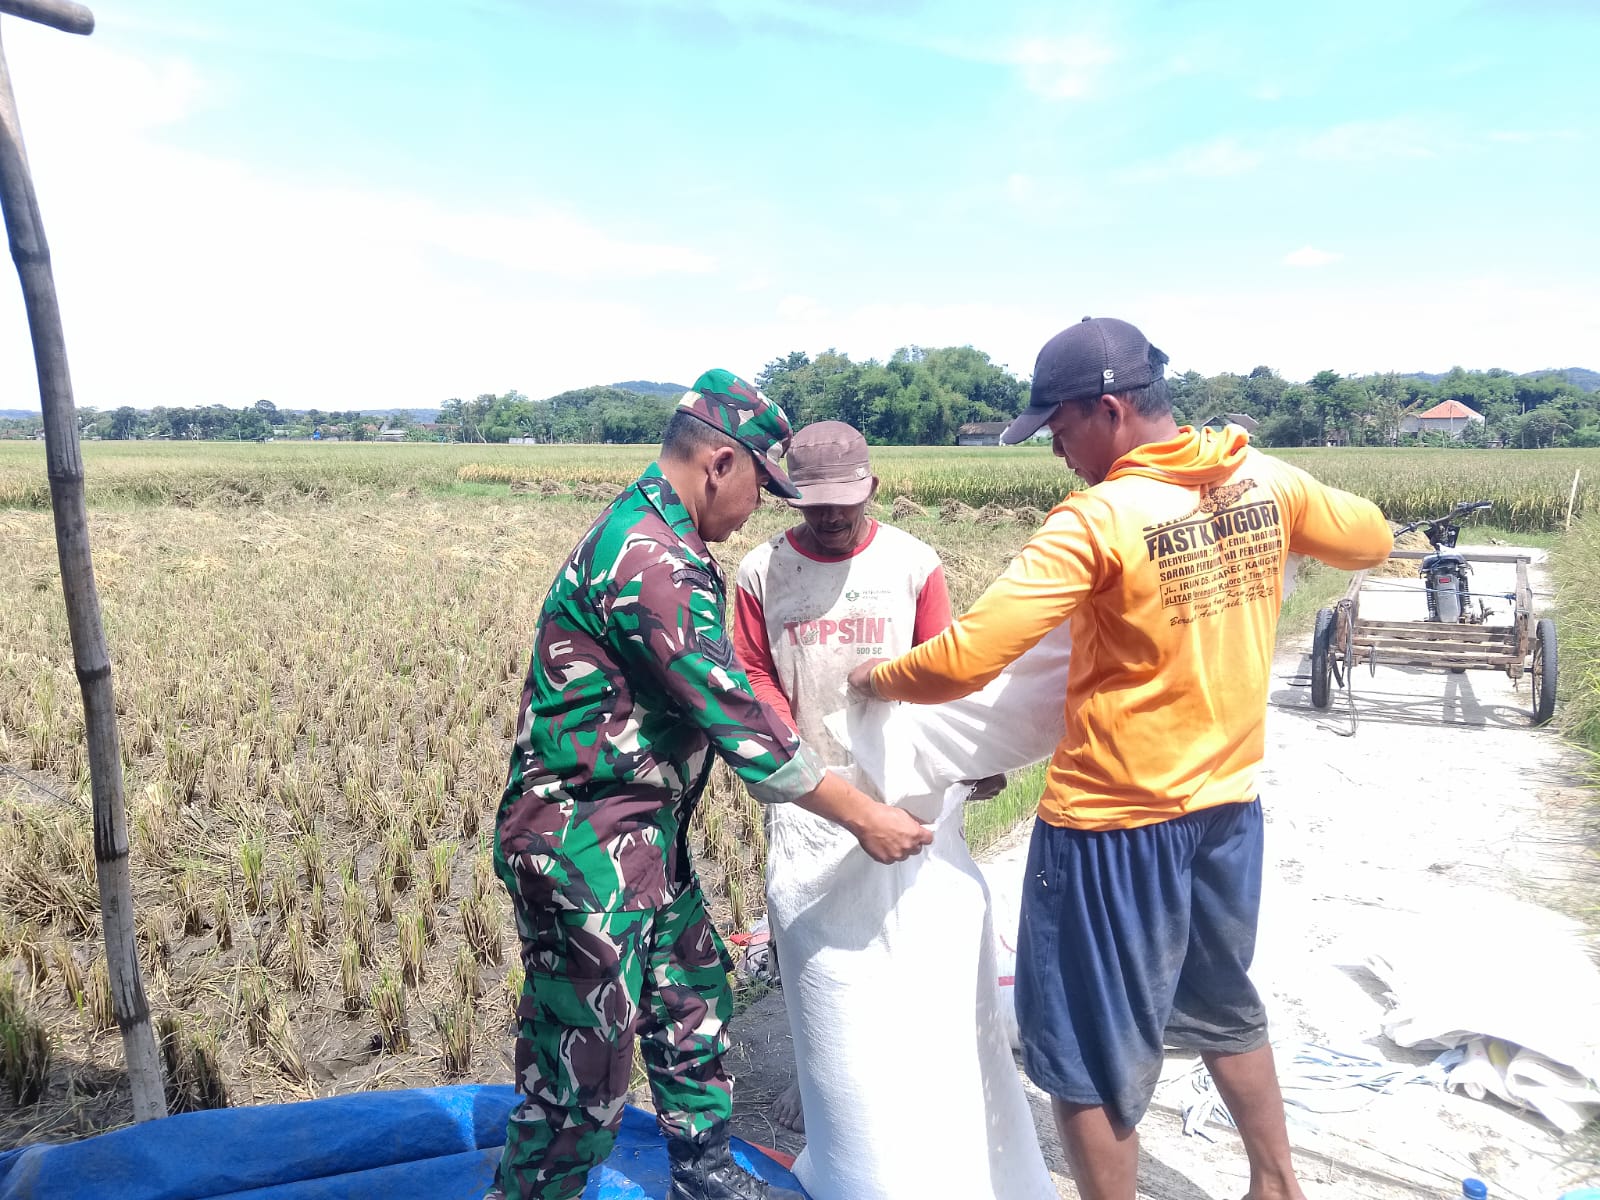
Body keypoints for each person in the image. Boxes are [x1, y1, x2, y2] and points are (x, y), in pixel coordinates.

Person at [848, 317, 1394, 1200]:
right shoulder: (1260, 479)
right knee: (1221, 1002)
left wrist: (880, 677)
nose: (1058, 452)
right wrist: (1264, 532)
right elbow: (1370, 538)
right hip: (1226, 812)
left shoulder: (1099, 520)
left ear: (1108, 410)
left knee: (1087, 1055)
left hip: (1111, 829)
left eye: (1060, 431)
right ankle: (1277, 1185)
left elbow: (968, 659)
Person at [491, 370, 933, 1200]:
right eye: (761, 490)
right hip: (581, 846)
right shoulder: (649, 558)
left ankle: (703, 1171)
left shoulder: (667, 539)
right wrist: (863, 816)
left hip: (645, 838)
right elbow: (742, 726)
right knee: (581, 1081)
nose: (759, 511)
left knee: (694, 994)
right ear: (720, 463)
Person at [731, 419, 953, 1133]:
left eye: (843, 503)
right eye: (812, 505)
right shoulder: (762, 572)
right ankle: (821, 1078)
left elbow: (943, 666)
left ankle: (894, 1075)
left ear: (872, 489)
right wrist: (790, 745)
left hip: (899, 786)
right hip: (808, 792)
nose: (829, 517)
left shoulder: (913, 563)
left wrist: (966, 761)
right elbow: (754, 671)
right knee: (810, 941)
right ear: (789, 498)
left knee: (900, 935)